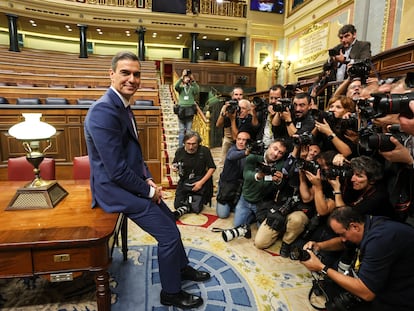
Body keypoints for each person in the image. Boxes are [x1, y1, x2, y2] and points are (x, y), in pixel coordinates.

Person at [84, 51, 210, 309]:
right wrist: (148, 191)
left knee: (171, 224)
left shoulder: (122, 105)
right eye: (125, 72)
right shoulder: (103, 111)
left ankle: (182, 268)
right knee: (167, 236)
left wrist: (149, 179)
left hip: (130, 184)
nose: (132, 79)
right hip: (115, 190)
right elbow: (117, 171)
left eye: (137, 74)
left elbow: (133, 155)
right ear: (111, 74)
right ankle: (171, 293)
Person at [301, 205, 414, 311]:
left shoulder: (379, 240)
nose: (342, 239)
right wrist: (319, 245)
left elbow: (367, 293)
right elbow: (343, 242)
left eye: (342, 234)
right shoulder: (366, 224)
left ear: (354, 226)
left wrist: (322, 267)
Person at [221, 139, 287, 242]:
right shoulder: (254, 156)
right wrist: (259, 176)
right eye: (275, 149)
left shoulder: (280, 165)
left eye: (280, 153)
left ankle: (255, 217)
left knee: (263, 231)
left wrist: (278, 181)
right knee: (238, 225)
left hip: (262, 202)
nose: (275, 154)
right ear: (269, 146)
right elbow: (246, 175)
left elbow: (277, 188)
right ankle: (251, 216)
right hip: (246, 199)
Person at [172, 130, 216, 218]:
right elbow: (174, 163)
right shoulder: (179, 151)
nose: (191, 147)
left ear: (198, 143)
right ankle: (187, 204)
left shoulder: (204, 151)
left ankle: (189, 204)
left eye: (194, 144)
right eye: (188, 144)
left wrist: (201, 183)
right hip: (185, 181)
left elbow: (212, 168)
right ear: (184, 142)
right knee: (177, 205)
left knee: (196, 207)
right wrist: (174, 168)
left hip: (200, 180)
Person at [216, 131, 250, 219]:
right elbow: (231, 156)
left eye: (244, 140)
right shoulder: (232, 149)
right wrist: (245, 153)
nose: (241, 142)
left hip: (241, 187)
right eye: (239, 139)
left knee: (239, 213)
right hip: (227, 186)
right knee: (223, 214)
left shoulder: (251, 154)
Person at [216, 87, 244, 165]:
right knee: (223, 161)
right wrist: (224, 111)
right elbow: (218, 124)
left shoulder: (244, 107)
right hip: (228, 137)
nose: (238, 97)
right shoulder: (227, 107)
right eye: (236, 94)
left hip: (241, 137)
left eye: (240, 95)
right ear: (232, 96)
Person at [174, 69, 200, 146]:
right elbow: (176, 86)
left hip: (190, 110)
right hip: (181, 109)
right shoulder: (181, 88)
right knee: (181, 130)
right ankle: (180, 147)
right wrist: (182, 77)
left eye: (188, 77)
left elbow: (197, 91)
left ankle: (188, 146)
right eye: (186, 77)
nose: (187, 79)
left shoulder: (192, 88)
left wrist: (193, 80)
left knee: (189, 130)